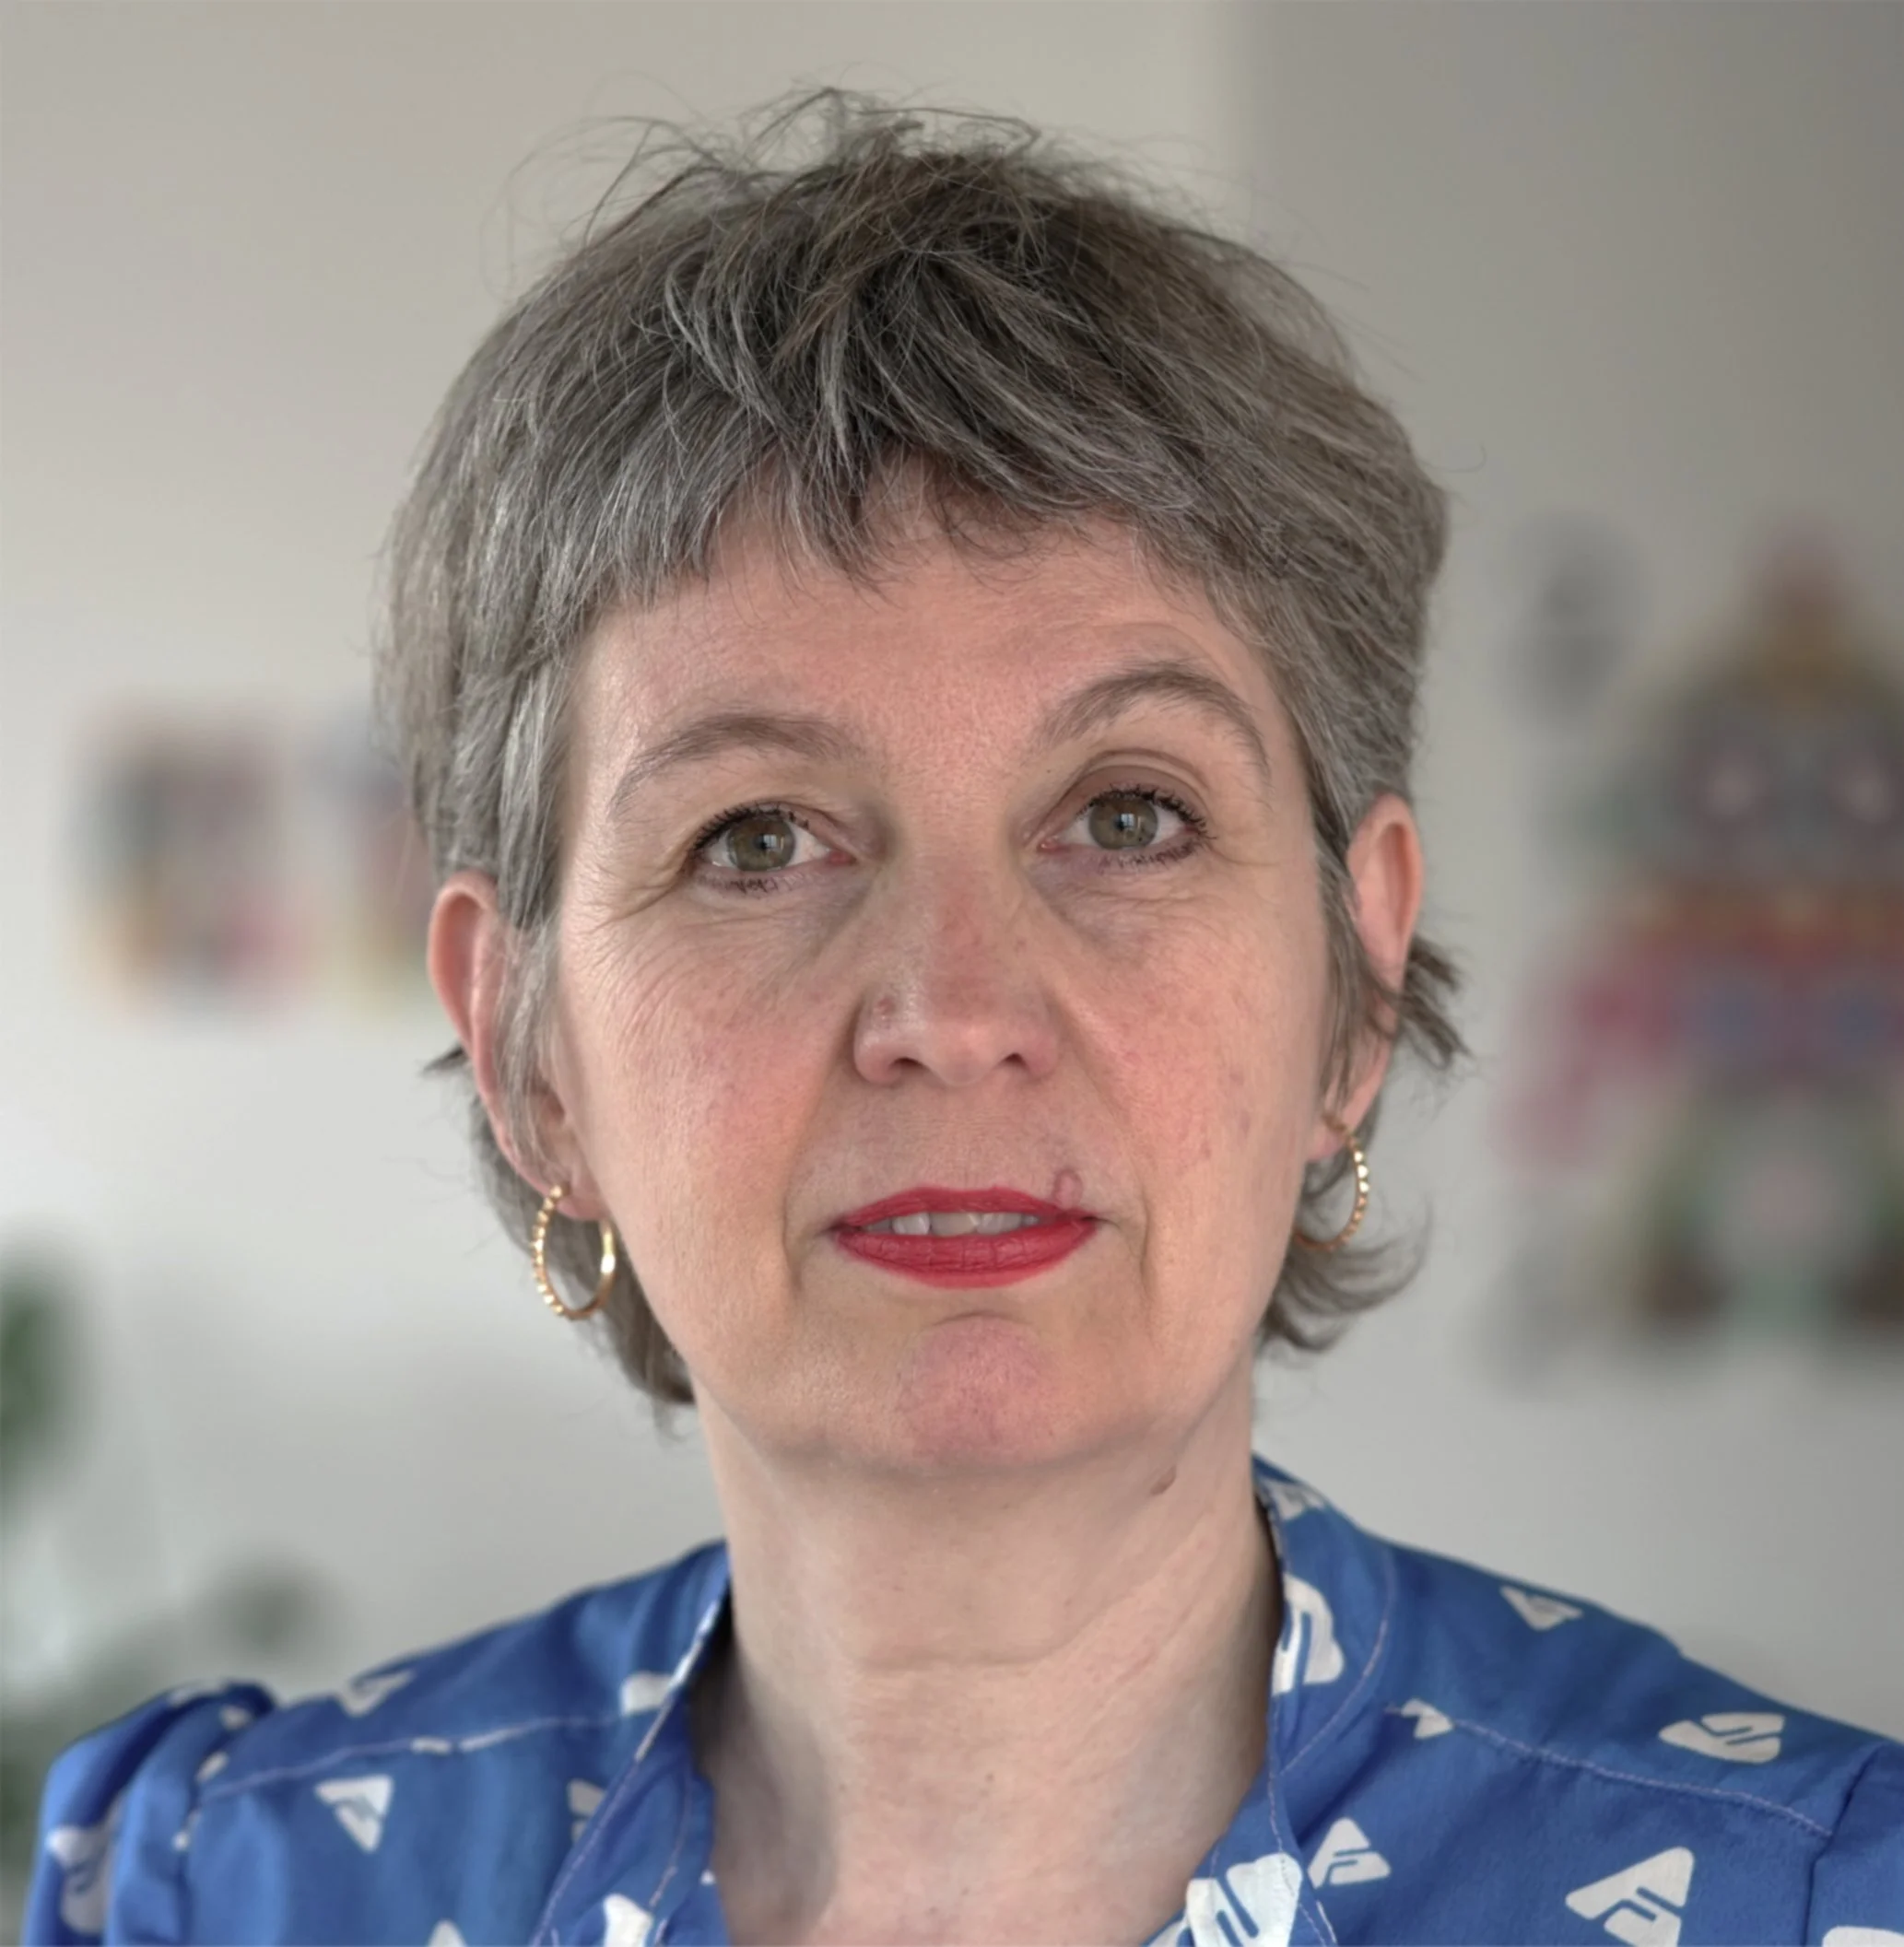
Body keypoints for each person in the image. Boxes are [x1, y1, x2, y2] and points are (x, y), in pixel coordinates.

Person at [28, 92, 1901, 1947]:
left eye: (1127, 817)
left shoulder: (1812, 1900)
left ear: (1353, 981)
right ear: (530, 1054)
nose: (953, 1012)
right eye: (758, 840)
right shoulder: (231, 1893)